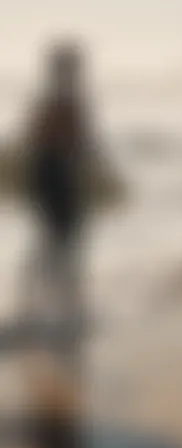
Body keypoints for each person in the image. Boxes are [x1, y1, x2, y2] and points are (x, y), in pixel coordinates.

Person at [23, 39, 93, 347]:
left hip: (60, 180)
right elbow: (45, 145)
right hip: (53, 179)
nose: (74, 74)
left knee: (60, 249)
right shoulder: (56, 104)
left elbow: (80, 146)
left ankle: (59, 313)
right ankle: (48, 314)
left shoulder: (65, 103)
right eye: (70, 67)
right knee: (55, 248)